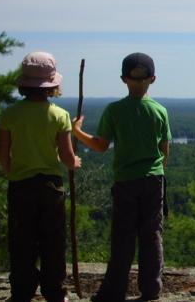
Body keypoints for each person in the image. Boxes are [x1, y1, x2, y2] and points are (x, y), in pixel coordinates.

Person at [72, 52, 171, 302]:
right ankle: (151, 289)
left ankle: (114, 291)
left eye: (138, 79)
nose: (138, 83)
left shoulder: (115, 110)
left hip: (126, 181)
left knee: (123, 237)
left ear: (122, 79)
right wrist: (158, 172)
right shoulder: (160, 111)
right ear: (154, 79)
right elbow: (164, 150)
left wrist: (77, 132)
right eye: (138, 79)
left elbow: (101, 145)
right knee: (152, 235)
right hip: (154, 180)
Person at [0, 51, 82, 302]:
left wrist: (11, 172)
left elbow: (2, 153)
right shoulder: (59, 115)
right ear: (52, 85)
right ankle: (54, 292)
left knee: (22, 241)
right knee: (53, 242)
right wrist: (74, 162)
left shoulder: (10, 113)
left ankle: (21, 292)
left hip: (20, 185)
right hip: (50, 187)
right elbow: (66, 158)